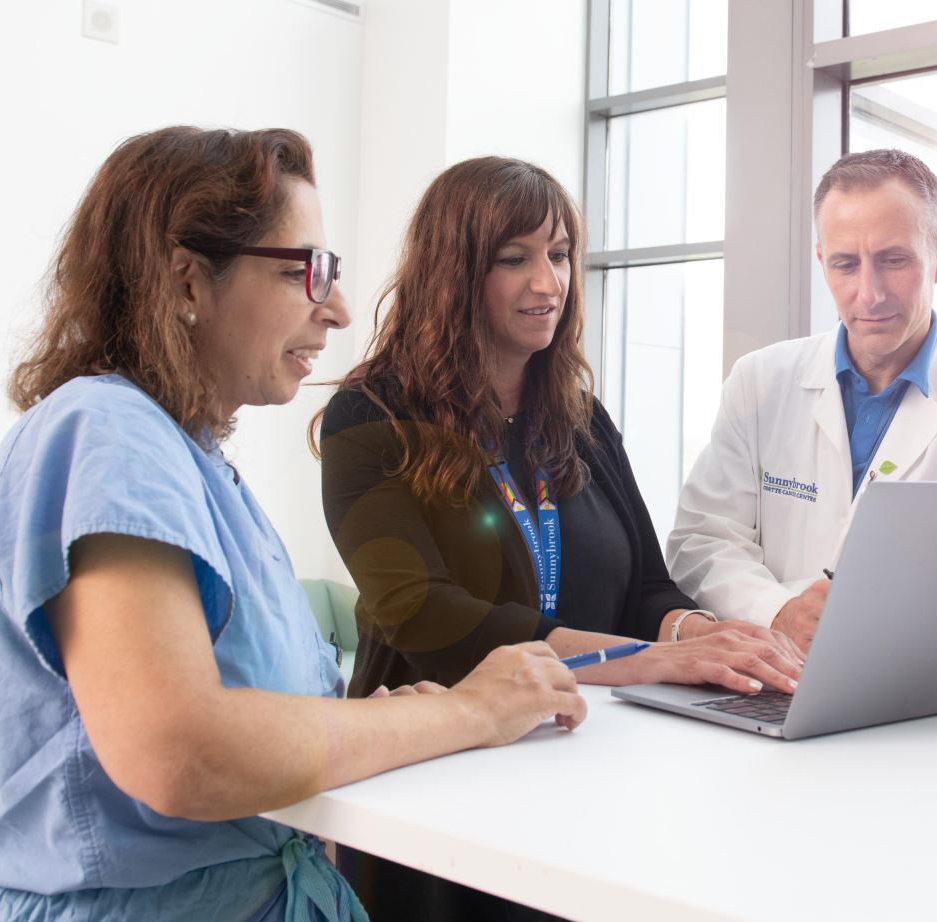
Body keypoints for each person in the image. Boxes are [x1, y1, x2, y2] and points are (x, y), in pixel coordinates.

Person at [0, 127, 585, 922]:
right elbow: (180, 750)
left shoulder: (192, 460)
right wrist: (466, 710)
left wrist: (396, 719)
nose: (340, 308)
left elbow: (262, 722)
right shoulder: (107, 432)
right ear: (188, 280)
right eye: (308, 270)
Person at [316, 156, 802, 920]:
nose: (549, 282)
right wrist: (646, 660)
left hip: (591, 770)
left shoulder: (578, 419)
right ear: (453, 273)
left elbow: (645, 584)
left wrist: (709, 637)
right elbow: (425, 615)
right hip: (441, 787)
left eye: (559, 253)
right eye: (515, 259)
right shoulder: (371, 419)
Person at [667, 148, 937, 653]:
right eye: (846, 264)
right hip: (764, 677)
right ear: (822, 261)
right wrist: (781, 612)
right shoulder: (760, 381)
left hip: (902, 682)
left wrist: (831, 618)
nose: (870, 294)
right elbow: (700, 543)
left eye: (893, 260)